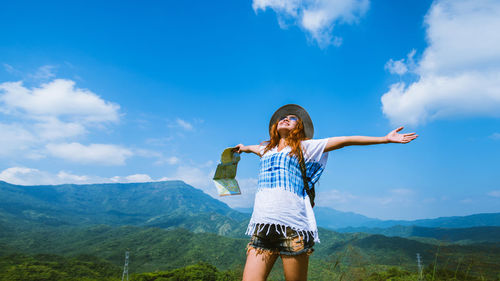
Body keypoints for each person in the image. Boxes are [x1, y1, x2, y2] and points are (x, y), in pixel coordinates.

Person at [233, 104, 418, 281]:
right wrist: (242, 148)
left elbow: (346, 140)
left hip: (292, 228)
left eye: (292, 118)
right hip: (262, 228)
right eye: (283, 117)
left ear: (300, 128)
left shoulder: (304, 147)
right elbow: (249, 148)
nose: (286, 119)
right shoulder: (266, 149)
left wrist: (385, 139)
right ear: (274, 126)